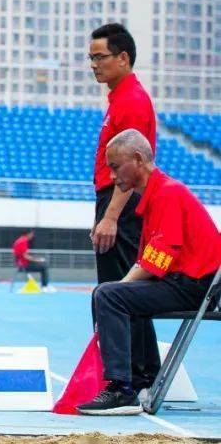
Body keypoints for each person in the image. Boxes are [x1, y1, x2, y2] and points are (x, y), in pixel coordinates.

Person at [78, 129, 221, 415]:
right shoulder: (157, 194)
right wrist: (121, 288)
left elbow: (159, 257)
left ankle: (121, 388)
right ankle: (143, 378)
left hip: (194, 286)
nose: (112, 176)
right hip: (188, 282)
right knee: (111, 293)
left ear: (138, 159)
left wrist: (119, 288)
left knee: (109, 295)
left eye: (116, 167)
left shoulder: (167, 193)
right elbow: (152, 257)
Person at [87, 23, 158, 392]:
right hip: (119, 202)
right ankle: (144, 372)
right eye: (91, 58)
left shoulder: (130, 101)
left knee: (117, 290)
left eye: (100, 57)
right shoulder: (121, 97)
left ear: (123, 58)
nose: (94, 65)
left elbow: (129, 171)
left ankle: (124, 381)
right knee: (126, 287)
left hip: (122, 204)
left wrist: (111, 216)